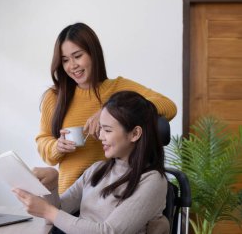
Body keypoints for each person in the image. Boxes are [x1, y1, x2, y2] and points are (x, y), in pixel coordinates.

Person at [36, 22, 177, 194]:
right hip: (69, 197)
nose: (72, 66)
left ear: (93, 53)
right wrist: (57, 147)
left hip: (111, 197)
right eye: (65, 60)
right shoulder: (54, 96)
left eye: (78, 56)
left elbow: (169, 106)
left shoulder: (118, 88)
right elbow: (43, 140)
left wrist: (107, 113)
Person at [14, 91, 169, 234]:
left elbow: (108, 231)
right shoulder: (97, 170)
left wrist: (47, 211)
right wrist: (52, 185)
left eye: (107, 130)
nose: (101, 136)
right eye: (100, 129)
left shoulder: (153, 181)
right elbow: (56, 214)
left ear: (135, 133)